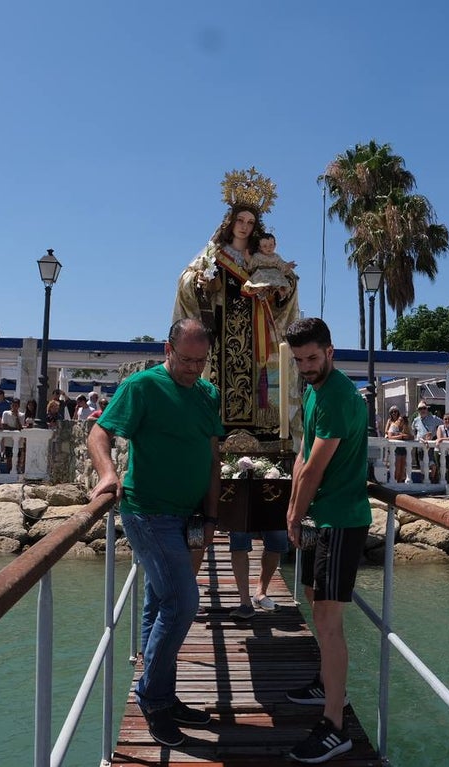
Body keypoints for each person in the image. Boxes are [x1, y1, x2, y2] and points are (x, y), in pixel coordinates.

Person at [87, 317, 223, 748]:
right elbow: (99, 432)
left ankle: (162, 692)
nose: (193, 369)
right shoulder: (142, 386)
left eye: (201, 361)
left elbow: (212, 458)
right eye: (186, 359)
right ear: (168, 349)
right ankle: (153, 696)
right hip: (148, 513)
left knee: (159, 602)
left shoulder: (207, 393)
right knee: (183, 602)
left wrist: (212, 515)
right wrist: (108, 473)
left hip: (190, 516)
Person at [282, 317, 369, 764]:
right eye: (299, 360)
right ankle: (323, 681)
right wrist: (294, 509)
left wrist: (295, 514)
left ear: (331, 351)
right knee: (315, 602)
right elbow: (301, 456)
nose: (306, 367)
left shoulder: (336, 396)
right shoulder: (316, 390)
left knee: (328, 620)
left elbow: (316, 466)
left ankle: (335, 725)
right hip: (320, 518)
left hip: (340, 520)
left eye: (313, 358)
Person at [172, 169, 299, 436]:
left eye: (250, 222)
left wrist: (281, 290)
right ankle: (217, 432)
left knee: (260, 382)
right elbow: (185, 279)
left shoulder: (261, 255)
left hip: (257, 332)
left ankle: (263, 432)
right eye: (240, 219)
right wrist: (199, 281)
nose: (244, 226)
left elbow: (287, 281)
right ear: (231, 221)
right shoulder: (215, 253)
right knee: (220, 382)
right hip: (221, 333)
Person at [383, 407, 413, 482]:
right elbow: (389, 436)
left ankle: (399, 482)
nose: (400, 421)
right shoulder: (393, 425)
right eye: (400, 420)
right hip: (396, 449)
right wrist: (401, 436)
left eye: (402, 420)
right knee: (397, 467)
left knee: (403, 468)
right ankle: (395, 481)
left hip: (404, 448)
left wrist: (407, 436)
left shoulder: (405, 427)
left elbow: (412, 437)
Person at [435, 413, 449, 484]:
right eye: (445, 419)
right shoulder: (440, 427)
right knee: (440, 468)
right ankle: (439, 484)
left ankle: (448, 484)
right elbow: (439, 438)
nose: (447, 420)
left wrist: (445, 439)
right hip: (440, 451)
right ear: (443, 420)